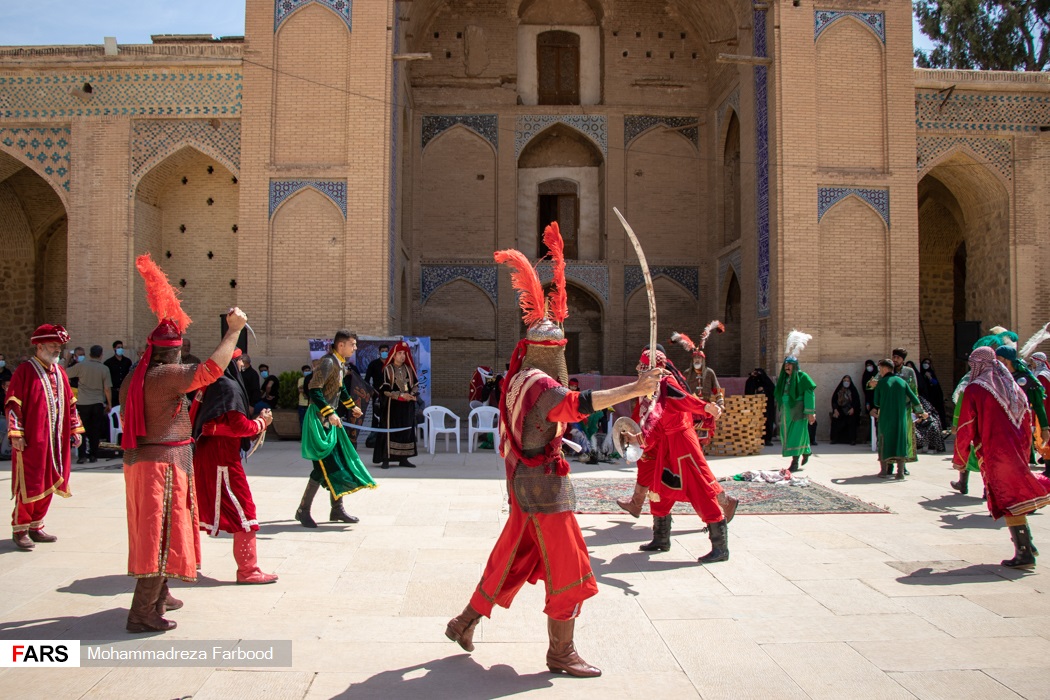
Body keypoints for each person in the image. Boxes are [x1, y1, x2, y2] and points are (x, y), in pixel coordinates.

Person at [444, 225, 664, 677]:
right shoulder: (541, 384)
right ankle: (560, 652)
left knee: (514, 555)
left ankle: (463, 622)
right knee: (570, 566)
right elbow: (576, 405)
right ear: (551, 351)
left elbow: (545, 423)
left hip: (530, 483)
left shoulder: (518, 378)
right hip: (544, 487)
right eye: (560, 348)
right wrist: (636, 387)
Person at [120, 253, 245, 633]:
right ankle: (142, 613)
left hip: (147, 462)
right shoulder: (165, 376)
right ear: (171, 352)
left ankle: (161, 596)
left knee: (162, 531)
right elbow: (210, 370)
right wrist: (234, 330)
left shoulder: (136, 376)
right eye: (178, 351)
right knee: (160, 535)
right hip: (161, 466)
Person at [618, 347, 737, 563]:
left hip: (683, 445)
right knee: (660, 489)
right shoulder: (651, 388)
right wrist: (638, 440)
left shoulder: (667, 383)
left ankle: (720, 547)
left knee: (700, 489)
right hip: (666, 444)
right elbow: (654, 425)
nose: (641, 372)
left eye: (644, 368)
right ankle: (661, 539)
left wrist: (705, 408)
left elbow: (684, 400)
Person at [953, 346, 1050, 569]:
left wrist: (960, 458)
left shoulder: (976, 389)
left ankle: (1024, 553)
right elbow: (1027, 416)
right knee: (1013, 493)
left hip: (996, 452)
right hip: (1017, 449)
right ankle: (1027, 544)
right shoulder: (1012, 386)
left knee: (1008, 497)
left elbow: (965, 425)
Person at [191, 348, 277, 584]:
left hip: (211, 455)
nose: (241, 367)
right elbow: (236, 427)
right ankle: (248, 571)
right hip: (222, 458)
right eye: (239, 362)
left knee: (197, 509)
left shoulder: (212, 384)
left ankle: (185, 564)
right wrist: (261, 422)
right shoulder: (227, 387)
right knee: (244, 510)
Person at [6, 324, 83, 550]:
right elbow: (13, 404)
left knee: (51, 480)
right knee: (30, 482)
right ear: (39, 346)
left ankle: (36, 525)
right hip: (32, 440)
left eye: (59, 346)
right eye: (53, 345)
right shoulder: (25, 371)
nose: (57, 349)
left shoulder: (59, 372)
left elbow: (71, 404)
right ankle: (20, 527)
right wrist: (16, 433)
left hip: (56, 441)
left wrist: (74, 428)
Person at [296, 329, 376, 528]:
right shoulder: (328, 362)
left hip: (330, 420)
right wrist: (329, 413)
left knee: (337, 463)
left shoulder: (340, 364)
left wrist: (352, 406)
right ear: (341, 345)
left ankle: (337, 509)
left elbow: (340, 389)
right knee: (322, 468)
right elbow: (313, 389)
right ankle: (303, 510)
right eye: (353, 344)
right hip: (319, 420)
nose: (355, 347)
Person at [995, 346, 1049, 465]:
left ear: (1006, 360)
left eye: (998, 358)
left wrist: (1045, 429)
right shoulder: (996, 378)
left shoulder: (1026, 380)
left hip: (1020, 426)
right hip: (1000, 427)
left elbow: (1039, 406)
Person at [873, 359, 926, 479]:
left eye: (880, 369)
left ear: (885, 368)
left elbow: (876, 402)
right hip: (901, 417)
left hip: (886, 418)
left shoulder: (881, 383)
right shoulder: (902, 382)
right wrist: (920, 412)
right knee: (900, 441)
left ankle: (883, 471)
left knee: (884, 441)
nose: (880, 371)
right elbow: (914, 399)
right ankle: (900, 472)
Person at [372, 341, 420, 468]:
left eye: (404, 353)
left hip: (407, 406)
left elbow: (415, 385)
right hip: (391, 407)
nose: (402, 356)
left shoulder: (409, 369)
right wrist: (399, 395)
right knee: (389, 431)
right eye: (399, 353)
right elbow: (384, 389)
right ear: (393, 355)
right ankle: (386, 459)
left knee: (406, 431)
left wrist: (412, 394)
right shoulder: (388, 369)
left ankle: (403, 459)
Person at [774, 331, 816, 472]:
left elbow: (809, 394)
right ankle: (806, 451)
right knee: (788, 435)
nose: (787, 367)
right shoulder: (784, 379)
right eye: (786, 364)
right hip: (786, 412)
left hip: (798, 410)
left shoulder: (803, 378)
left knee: (796, 435)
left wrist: (810, 412)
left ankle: (795, 461)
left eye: (790, 364)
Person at [66, 344, 112, 464]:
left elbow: (65, 373)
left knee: (81, 430)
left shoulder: (81, 366)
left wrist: (66, 359)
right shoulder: (104, 369)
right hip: (97, 402)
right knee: (95, 430)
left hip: (82, 403)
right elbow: (107, 388)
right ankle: (93, 455)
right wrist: (109, 403)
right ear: (101, 355)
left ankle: (82, 456)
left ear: (90, 354)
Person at [364, 344, 389, 449]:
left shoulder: (391, 364)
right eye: (382, 351)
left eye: (386, 351)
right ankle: (374, 440)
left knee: (388, 416)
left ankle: (388, 439)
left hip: (390, 395)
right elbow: (366, 380)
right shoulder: (373, 364)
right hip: (377, 394)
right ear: (379, 352)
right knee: (376, 417)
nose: (384, 353)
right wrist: (371, 391)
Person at [745, 367, 776, 446]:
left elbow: (772, 390)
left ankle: (767, 439)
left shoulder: (767, 382)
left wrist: (764, 389)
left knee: (768, 421)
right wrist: (752, 377)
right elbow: (748, 390)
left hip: (767, 407)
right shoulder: (752, 380)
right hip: (755, 407)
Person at [829, 375, 860, 445]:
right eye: (845, 381)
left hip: (850, 410)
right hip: (840, 409)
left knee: (852, 420)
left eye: (848, 381)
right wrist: (835, 409)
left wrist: (853, 408)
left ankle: (852, 440)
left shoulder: (853, 390)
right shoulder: (839, 390)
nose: (846, 382)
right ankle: (834, 439)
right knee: (835, 419)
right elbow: (834, 400)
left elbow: (856, 401)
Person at [918, 357, 947, 426]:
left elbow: (935, 383)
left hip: (933, 396)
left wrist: (930, 377)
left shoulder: (931, 373)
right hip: (923, 396)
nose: (926, 364)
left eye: (928, 363)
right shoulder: (920, 373)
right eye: (925, 363)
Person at [104, 341, 132, 408]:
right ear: (114, 348)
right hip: (114, 392)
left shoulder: (127, 361)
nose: (120, 349)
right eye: (118, 347)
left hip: (125, 391)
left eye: (121, 347)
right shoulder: (108, 363)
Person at [297, 364, 312, 429]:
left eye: (309, 370)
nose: (307, 372)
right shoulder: (301, 380)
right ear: (303, 372)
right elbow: (300, 390)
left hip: (310, 404)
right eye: (306, 371)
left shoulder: (311, 379)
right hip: (302, 404)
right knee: (302, 420)